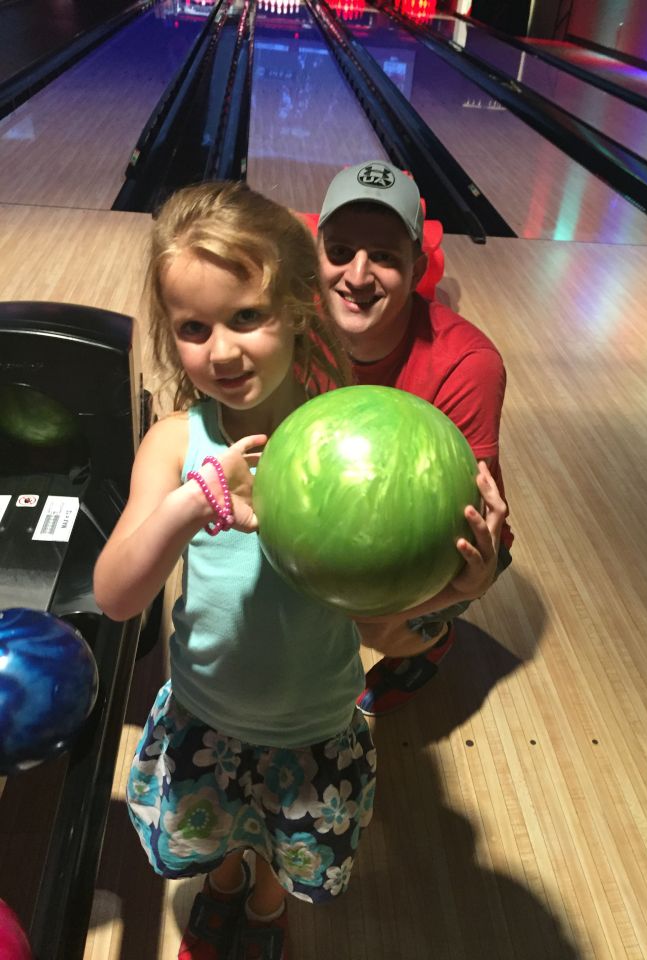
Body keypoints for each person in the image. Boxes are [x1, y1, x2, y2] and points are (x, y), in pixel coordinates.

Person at [93, 183, 379, 960]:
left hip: (314, 726)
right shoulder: (176, 442)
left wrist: (457, 582)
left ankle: (263, 899)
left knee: (282, 849)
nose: (220, 351)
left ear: (299, 308)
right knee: (219, 836)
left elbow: (386, 616)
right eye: (194, 328)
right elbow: (116, 596)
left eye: (246, 317)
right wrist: (192, 503)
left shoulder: (342, 438)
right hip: (206, 717)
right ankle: (225, 883)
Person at [316, 159, 513, 717]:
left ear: (417, 266)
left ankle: (427, 641)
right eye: (340, 251)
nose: (357, 276)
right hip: (338, 507)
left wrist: (460, 588)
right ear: (317, 253)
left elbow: (463, 519)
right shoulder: (292, 332)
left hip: (439, 538)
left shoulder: (467, 363)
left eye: (383, 256)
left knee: (370, 619)